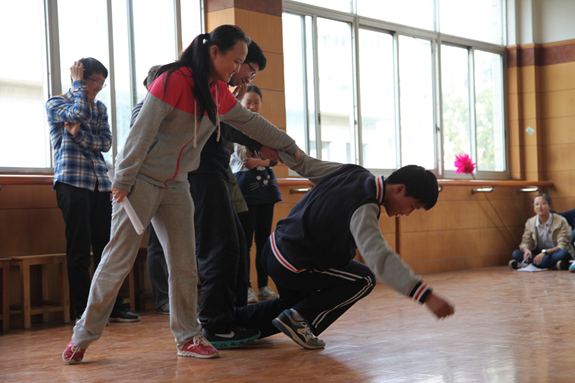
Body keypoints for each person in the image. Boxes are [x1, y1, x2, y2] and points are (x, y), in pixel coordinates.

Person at [61, 25, 301, 363]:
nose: (238, 69)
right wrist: (125, 178)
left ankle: (188, 336)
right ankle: (82, 337)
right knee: (117, 259)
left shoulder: (217, 91)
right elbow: (141, 133)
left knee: (185, 264)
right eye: (236, 60)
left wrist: (289, 147)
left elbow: (251, 123)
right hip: (141, 179)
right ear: (214, 52)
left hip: (177, 184)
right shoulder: (173, 79)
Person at [234, 152, 455, 349]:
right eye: (413, 207)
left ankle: (230, 324)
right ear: (399, 189)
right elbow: (379, 257)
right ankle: (301, 320)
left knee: (289, 308)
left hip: (274, 250)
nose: (408, 213)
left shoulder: (352, 171)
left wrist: (280, 150)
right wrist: (426, 296)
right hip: (294, 264)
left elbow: (307, 164)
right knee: (364, 279)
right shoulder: (366, 204)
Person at [189, 40, 278, 349]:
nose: (248, 79)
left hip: (217, 175)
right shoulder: (197, 83)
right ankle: (215, 323)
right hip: (199, 176)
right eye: (247, 69)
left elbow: (229, 124)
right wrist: (265, 144)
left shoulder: (221, 91)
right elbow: (226, 125)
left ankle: (234, 315)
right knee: (220, 248)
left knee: (236, 246)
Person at [46, 57, 139, 324]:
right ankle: (85, 311)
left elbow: (106, 142)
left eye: (102, 82)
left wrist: (77, 136)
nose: (98, 87)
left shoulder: (100, 107)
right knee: (78, 249)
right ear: (79, 78)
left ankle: (112, 307)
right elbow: (78, 114)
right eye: (94, 81)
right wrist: (77, 87)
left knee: (105, 247)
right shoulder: (56, 103)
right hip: (72, 182)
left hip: (100, 182)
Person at [231, 85, 281, 302]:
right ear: (241, 104)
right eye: (248, 102)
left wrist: (260, 161)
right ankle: (246, 288)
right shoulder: (232, 127)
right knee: (245, 242)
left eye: (256, 102)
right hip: (243, 190)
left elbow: (276, 157)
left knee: (264, 240)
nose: (252, 106)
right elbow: (237, 159)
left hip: (266, 190)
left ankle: (263, 285)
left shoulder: (265, 127)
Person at [131, 65, 171, 315]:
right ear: (150, 86)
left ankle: (177, 301)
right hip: (146, 182)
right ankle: (162, 298)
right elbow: (142, 139)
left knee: (172, 244)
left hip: (170, 182)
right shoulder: (143, 107)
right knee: (156, 244)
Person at [510, 193, 573, 270]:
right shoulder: (530, 222)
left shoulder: (561, 221)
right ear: (533, 207)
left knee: (563, 254)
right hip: (538, 253)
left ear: (550, 206)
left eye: (542, 203)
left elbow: (562, 245)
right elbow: (525, 241)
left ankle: (531, 264)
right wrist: (526, 250)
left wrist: (545, 253)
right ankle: (551, 265)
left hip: (554, 252)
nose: (539, 206)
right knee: (516, 254)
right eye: (536, 204)